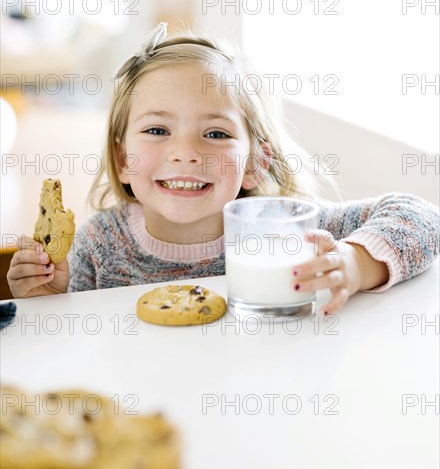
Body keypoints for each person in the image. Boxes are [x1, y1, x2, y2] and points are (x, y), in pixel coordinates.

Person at [7, 23, 439, 316]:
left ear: (254, 164)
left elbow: (421, 217)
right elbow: (83, 346)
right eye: (158, 129)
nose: (186, 153)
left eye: (214, 134)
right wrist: (48, 301)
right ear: (123, 160)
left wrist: (354, 262)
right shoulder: (100, 244)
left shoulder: (282, 230)